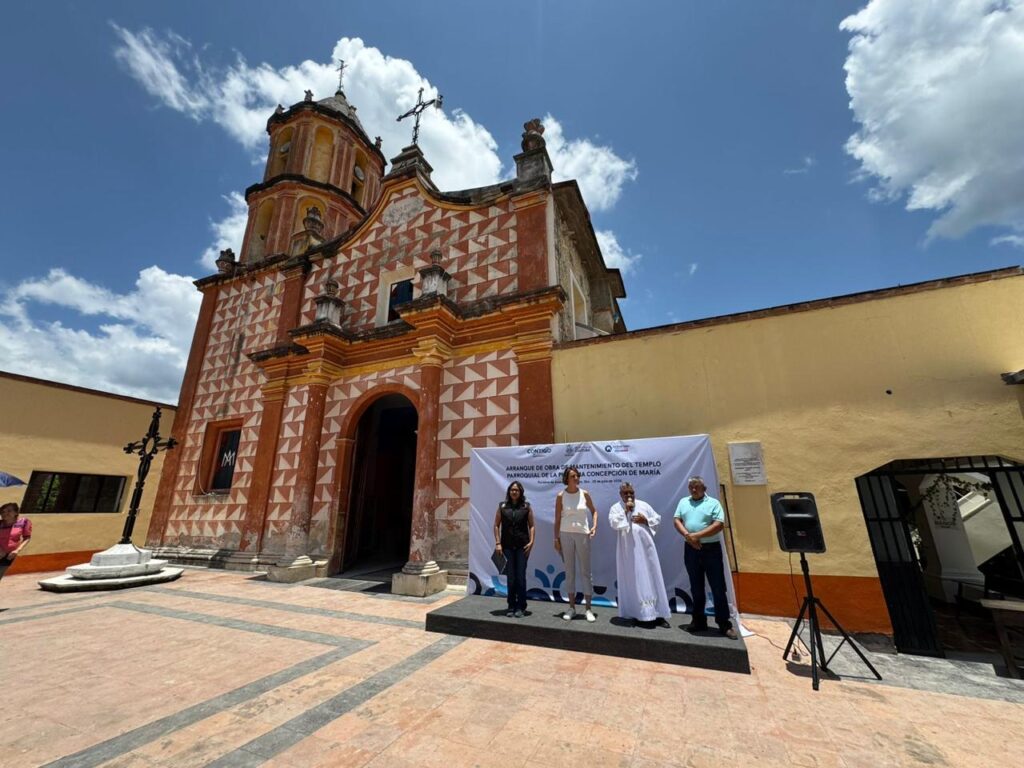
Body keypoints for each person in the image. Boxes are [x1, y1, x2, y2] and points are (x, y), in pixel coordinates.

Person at [673, 476, 737, 639]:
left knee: (718, 587)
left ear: (704, 488)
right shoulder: (683, 502)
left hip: (711, 549)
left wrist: (697, 536)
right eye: (691, 487)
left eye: (697, 486)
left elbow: (719, 524)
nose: (693, 489)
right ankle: (699, 621)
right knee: (696, 586)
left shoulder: (713, 503)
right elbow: (676, 520)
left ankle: (724, 624)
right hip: (691, 549)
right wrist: (689, 536)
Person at [608, 482, 671, 626]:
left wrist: (646, 520)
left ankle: (659, 615)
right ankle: (638, 614)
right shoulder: (616, 508)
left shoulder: (644, 505)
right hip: (628, 552)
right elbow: (613, 522)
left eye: (631, 493)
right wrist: (625, 511)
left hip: (646, 548)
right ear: (620, 494)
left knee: (652, 576)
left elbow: (657, 519)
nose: (629, 495)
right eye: (626, 493)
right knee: (633, 579)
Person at [554, 465, 598, 622]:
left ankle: (588, 609)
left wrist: (594, 526)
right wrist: (555, 539)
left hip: (583, 535)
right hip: (565, 534)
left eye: (577, 475)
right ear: (566, 479)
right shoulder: (560, 496)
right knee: (569, 571)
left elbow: (594, 511)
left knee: (586, 571)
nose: (576, 478)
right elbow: (557, 519)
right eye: (573, 476)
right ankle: (571, 607)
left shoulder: (585, 494)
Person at [493, 481, 535, 618]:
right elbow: (496, 525)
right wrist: (498, 543)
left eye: (516, 490)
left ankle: (521, 606)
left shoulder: (526, 507)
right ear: (509, 492)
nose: (514, 492)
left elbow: (532, 526)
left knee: (520, 577)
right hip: (507, 547)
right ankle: (511, 605)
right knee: (511, 578)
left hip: (522, 547)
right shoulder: (502, 506)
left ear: (521, 492)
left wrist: (532, 541)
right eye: (512, 490)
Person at [0, 502, 32, 583]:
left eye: (9, 511)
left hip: (9, 556)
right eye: (3, 511)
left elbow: (27, 537)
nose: (5, 513)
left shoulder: (24, 522)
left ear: (16, 512)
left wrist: (17, 550)